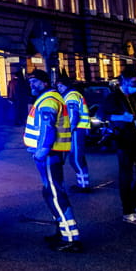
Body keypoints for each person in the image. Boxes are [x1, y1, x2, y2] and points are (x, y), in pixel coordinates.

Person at [25, 69, 81, 251]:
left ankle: (71, 238)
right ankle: (61, 230)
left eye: (35, 81)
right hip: (52, 153)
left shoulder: (48, 100)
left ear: (45, 82)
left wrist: (42, 151)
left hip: (49, 154)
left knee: (55, 194)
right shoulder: (50, 97)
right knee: (50, 192)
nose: (32, 85)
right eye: (30, 81)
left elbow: (48, 129)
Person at [102, 66, 136, 226]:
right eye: (134, 82)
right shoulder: (114, 97)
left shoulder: (134, 97)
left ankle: (134, 203)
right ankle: (128, 211)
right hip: (124, 141)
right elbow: (101, 115)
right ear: (124, 81)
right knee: (126, 176)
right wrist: (121, 117)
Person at [54, 71, 91, 192]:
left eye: (60, 86)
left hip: (76, 130)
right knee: (78, 158)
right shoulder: (73, 94)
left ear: (65, 85)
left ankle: (84, 186)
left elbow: (73, 117)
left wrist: (67, 131)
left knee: (75, 158)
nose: (58, 88)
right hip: (79, 129)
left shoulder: (71, 96)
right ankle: (83, 184)